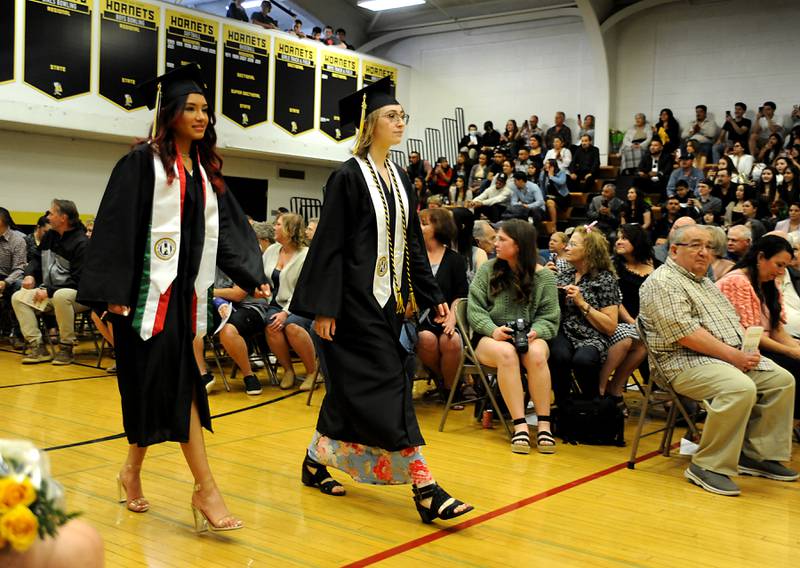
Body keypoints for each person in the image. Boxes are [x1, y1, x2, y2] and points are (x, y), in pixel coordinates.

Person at [76, 64, 270, 531]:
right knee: (165, 389)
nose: (201, 117)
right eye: (191, 108)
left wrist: (252, 272)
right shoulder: (141, 163)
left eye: (205, 109)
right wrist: (111, 295)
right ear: (172, 114)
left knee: (175, 388)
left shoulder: (205, 172)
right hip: (142, 300)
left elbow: (228, 229)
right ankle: (201, 488)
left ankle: (143, 475)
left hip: (183, 302)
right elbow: (117, 225)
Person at [289, 77, 473, 523]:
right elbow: (330, 244)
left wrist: (434, 297)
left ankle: (315, 462)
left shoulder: (401, 177)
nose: (401, 121)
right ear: (370, 124)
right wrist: (325, 308)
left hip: (391, 303)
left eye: (403, 115)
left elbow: (411, 244)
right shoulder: (347, 176)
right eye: (392, 115)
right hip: (350, 303)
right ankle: (425, 487)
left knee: (355, 389)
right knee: (391, 385)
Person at [639, 224, 797, 496]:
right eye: (695, 246)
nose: (704, 253)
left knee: (781, 380)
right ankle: (707, 465)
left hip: (719, 357)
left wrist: (744, 353)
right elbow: (685, 334)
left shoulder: (703, 282)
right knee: (738, 387)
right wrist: (734, 355)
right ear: (673, 250)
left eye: (709, 247)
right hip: (681, 363)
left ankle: (755, 455)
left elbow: (732, 325)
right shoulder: (662, 282)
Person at [468, 220, 560, 453]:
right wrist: (492, 330)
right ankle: (519, 425)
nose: (495, 243)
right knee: (507, 354)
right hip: (491, 336)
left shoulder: (544, 277)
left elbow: (550, 316)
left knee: (537, 354)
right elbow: (474, 309)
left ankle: (544, 424)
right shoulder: (488, 269)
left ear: (519, 245)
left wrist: (536, 332)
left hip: (529, 334)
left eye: (502, 239)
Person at [716, 234, 800, 434]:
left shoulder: (769, 284)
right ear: (761, 257)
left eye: (785, 267)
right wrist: (791, 352)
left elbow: (777, 329)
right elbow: (750, 334)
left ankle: (783, 429)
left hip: (761, 346)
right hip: (737, 350)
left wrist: (796, 347)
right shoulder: (736, 281)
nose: (781, 272)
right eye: (779, 265)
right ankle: (776, 431)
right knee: (795, 369)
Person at [550, 225, 620, 406]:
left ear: (589, 250)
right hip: (563, 329)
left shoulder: (605, 279)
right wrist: (545, 280)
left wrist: (582, 303)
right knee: (558, 355)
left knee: (583, 361)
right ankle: (562, 407)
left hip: (592, 334)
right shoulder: (564, 275)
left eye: (572, 244)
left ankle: (591, 407)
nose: (566, 247)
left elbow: (610, 326)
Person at [12, 199, 89, 365]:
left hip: (78, 296)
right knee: (18, 297)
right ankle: (38, 347)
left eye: (51, 213)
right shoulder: (50, 237)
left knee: (61, 296)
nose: (48, 216)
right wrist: (30, 274)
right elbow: (36, 259)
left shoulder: (82, 243)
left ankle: (66, 347)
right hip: (50, 293)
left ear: (63, 218)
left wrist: (50, 291)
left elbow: (79, 280)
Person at [416, 208, 467, 398]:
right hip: (422, 317)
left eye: (424, 223)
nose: (419, 227)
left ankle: (449, 389)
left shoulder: (455, 260)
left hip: (450, 315)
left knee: (451, 341)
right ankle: (444, 381)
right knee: (426, 339)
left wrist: (452, 318)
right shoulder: (414, 258)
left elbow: (461, 295)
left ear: (439, 227)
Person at [263, 213, 317, 390]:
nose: (274, 227)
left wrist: (286, 313)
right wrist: (261, 287)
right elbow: (261, 276)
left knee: (291, 327)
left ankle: (311, 372)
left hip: (300, 305)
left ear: (290, 230)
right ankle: (288, 370)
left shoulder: (305, 255)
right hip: (275, 302)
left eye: (278, 224)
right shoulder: (272, 250)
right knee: (272, 325)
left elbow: (302, 289)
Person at [599, 224, 652, 407]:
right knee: (638, 341)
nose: (619, 241)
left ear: (637, 241)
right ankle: (608, 388)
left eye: (625, 238)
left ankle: (615, 386)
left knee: (645, 343)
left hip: (648, 321)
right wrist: (632, 321)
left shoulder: (655, 265)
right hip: (617, 318)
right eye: (618, 238)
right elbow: (614, 300)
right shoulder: (612, 266)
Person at [451, 207, 487, 283]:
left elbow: (482, 286)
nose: (444, 225)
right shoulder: (441, 249)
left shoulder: (479, 254)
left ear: (462, 226)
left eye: (449, 222)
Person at [541, 159, 570, 224]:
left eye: (547, 163)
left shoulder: (561, 172)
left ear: (552, 165)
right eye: (545, 163)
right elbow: (542, 187)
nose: (545, 165)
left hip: (562, 197)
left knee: (550, 202)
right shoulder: (543, 174)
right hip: (548, 196)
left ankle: (553, 224)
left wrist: (551, 176)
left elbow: (562, 182)